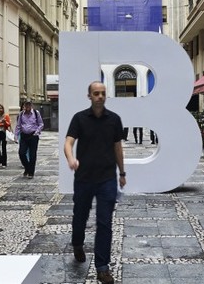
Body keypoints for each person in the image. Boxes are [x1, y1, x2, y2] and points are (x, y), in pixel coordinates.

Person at [64, 81, 126, 284]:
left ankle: (102, 267)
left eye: (103, 93)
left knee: (104, 222)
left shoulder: (114, 120)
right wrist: (71, 159)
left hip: (107, 178)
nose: (100, 96)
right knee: (80, 216)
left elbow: (118, 147)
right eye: (96, 93)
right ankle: (77, 243)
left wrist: (122, 172)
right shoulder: (79, 118)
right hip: (84, 178)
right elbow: (68, 142)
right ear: (89, 96)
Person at [15, 100, 43, 179]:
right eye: (26, 105)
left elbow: (41, 124)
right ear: (24, 106)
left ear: (31, 105)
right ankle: (27, 168)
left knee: (32, 155)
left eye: (29, 105)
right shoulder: (21, 114)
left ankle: (31, 172)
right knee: (21, 153)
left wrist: (36, 132)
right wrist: (16, 136)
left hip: (33, 136)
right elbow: (18, 126)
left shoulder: (36, 113)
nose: (27, 106)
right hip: (24, 136)